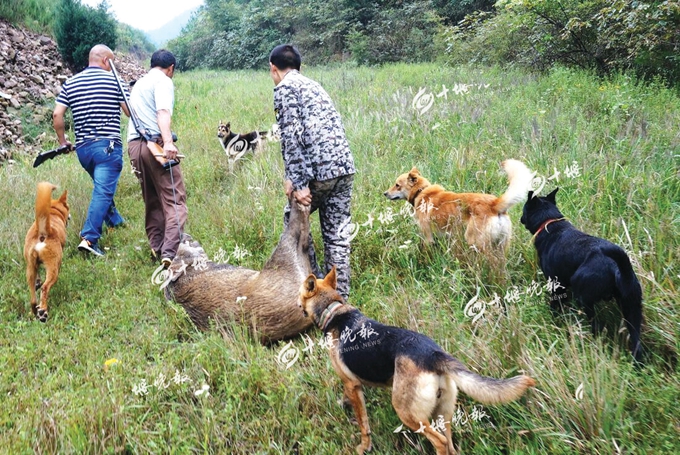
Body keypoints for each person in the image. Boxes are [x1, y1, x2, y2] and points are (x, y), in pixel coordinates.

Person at [269, 44, 356, 299]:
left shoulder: (284, 88)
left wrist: (299, 183)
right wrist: (292, 177)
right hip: (343, 168)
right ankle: (341, 300)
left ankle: (316, 291)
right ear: (298, 66)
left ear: (273, 68)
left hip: (319, 172)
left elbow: (291, 137)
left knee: (294, 221)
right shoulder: (313, 85)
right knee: (338, 236)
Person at [53, 44, 130, 257]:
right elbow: (128, 112)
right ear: (106, 61)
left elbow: (57, 115)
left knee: (101, 186)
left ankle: (115, 220)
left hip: (84, 151)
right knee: (103, 191)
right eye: (111, 62)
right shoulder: (114, 79)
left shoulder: (71, 82)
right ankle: (89, 238)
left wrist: (62, 141)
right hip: (108, 147)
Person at [127, 49, 187, 268]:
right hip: (155, 146)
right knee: (175, 200)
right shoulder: (163, 81)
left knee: (151, 199)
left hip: (134, 146)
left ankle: (157, 246)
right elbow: (163, 112)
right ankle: (170, 253)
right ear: (170, 68)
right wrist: (168, 142)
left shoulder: (139, 84)